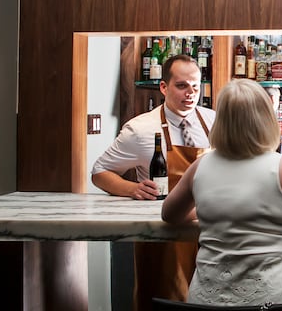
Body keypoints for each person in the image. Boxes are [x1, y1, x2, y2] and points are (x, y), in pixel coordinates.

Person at [162, 78, 282, 311]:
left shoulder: (200, 166)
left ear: (221, 121)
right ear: (266, 119)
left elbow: (170, 214)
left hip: (205, 304)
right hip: (272, 304)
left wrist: (213, 209)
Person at [92, 54, 215, 311]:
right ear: (163, 87)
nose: (191, 93)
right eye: (182, 85)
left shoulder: (214, 122)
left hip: (209, 232)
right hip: (163, 235)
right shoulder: (140, 129)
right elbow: (100, 171)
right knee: (162, 300)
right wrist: (131, 188)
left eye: (195, 85)